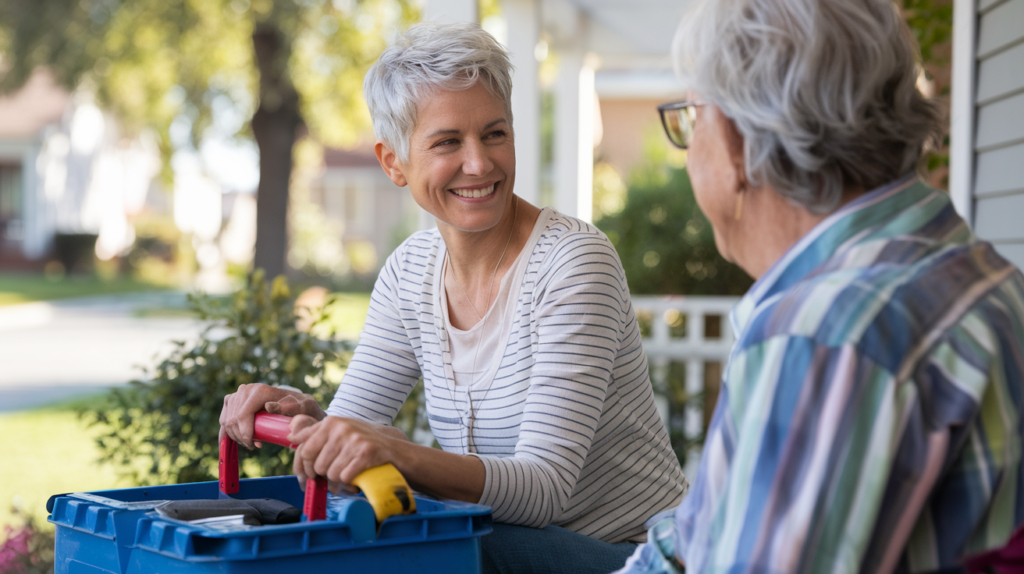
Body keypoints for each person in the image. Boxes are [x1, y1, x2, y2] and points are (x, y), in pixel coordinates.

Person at [219, 21, 687, 573]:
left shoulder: (573, 263)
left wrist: (395, 452)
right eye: (447, 142)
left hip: (643, 557)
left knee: (440, 547)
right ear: (394, 162)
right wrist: (312, 421)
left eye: (495, 134)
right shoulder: (409, 273)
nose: (480, 163)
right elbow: (352, 446)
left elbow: (542, 490)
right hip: (515, 549)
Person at [615, 0, 1024, 572]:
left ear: (735, 142)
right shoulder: (965, 266)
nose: (687, 155)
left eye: (690, 117)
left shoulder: (825, 336)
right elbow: (696, 533)